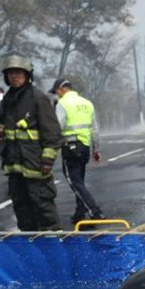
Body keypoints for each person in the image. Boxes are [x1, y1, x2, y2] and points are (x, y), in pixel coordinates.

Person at [0, 54, 63, 232]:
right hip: (14, 166)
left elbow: (53, 133)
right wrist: (0, 128)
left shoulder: (38, 99)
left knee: (43, 206)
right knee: (21, 207)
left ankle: (54, 243)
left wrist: (47, 160)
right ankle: (29, 246)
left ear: (27, 75)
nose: (14, 76)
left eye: (18, 72)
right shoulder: (6, 101)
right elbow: (2, 122)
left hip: (36, 165)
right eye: (10, 73)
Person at [51, 77, 105, 228]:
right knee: (79, 180)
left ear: (61, 89)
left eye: (56, 92)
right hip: (85, 147)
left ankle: (95, 211)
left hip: (70, 147)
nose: (57, 95)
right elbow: (95, 129)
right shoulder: (87, 103)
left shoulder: (62, 103)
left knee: (73, 181)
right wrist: (97, 149)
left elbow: (57, 127)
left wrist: (50, 146)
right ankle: (79, 213)